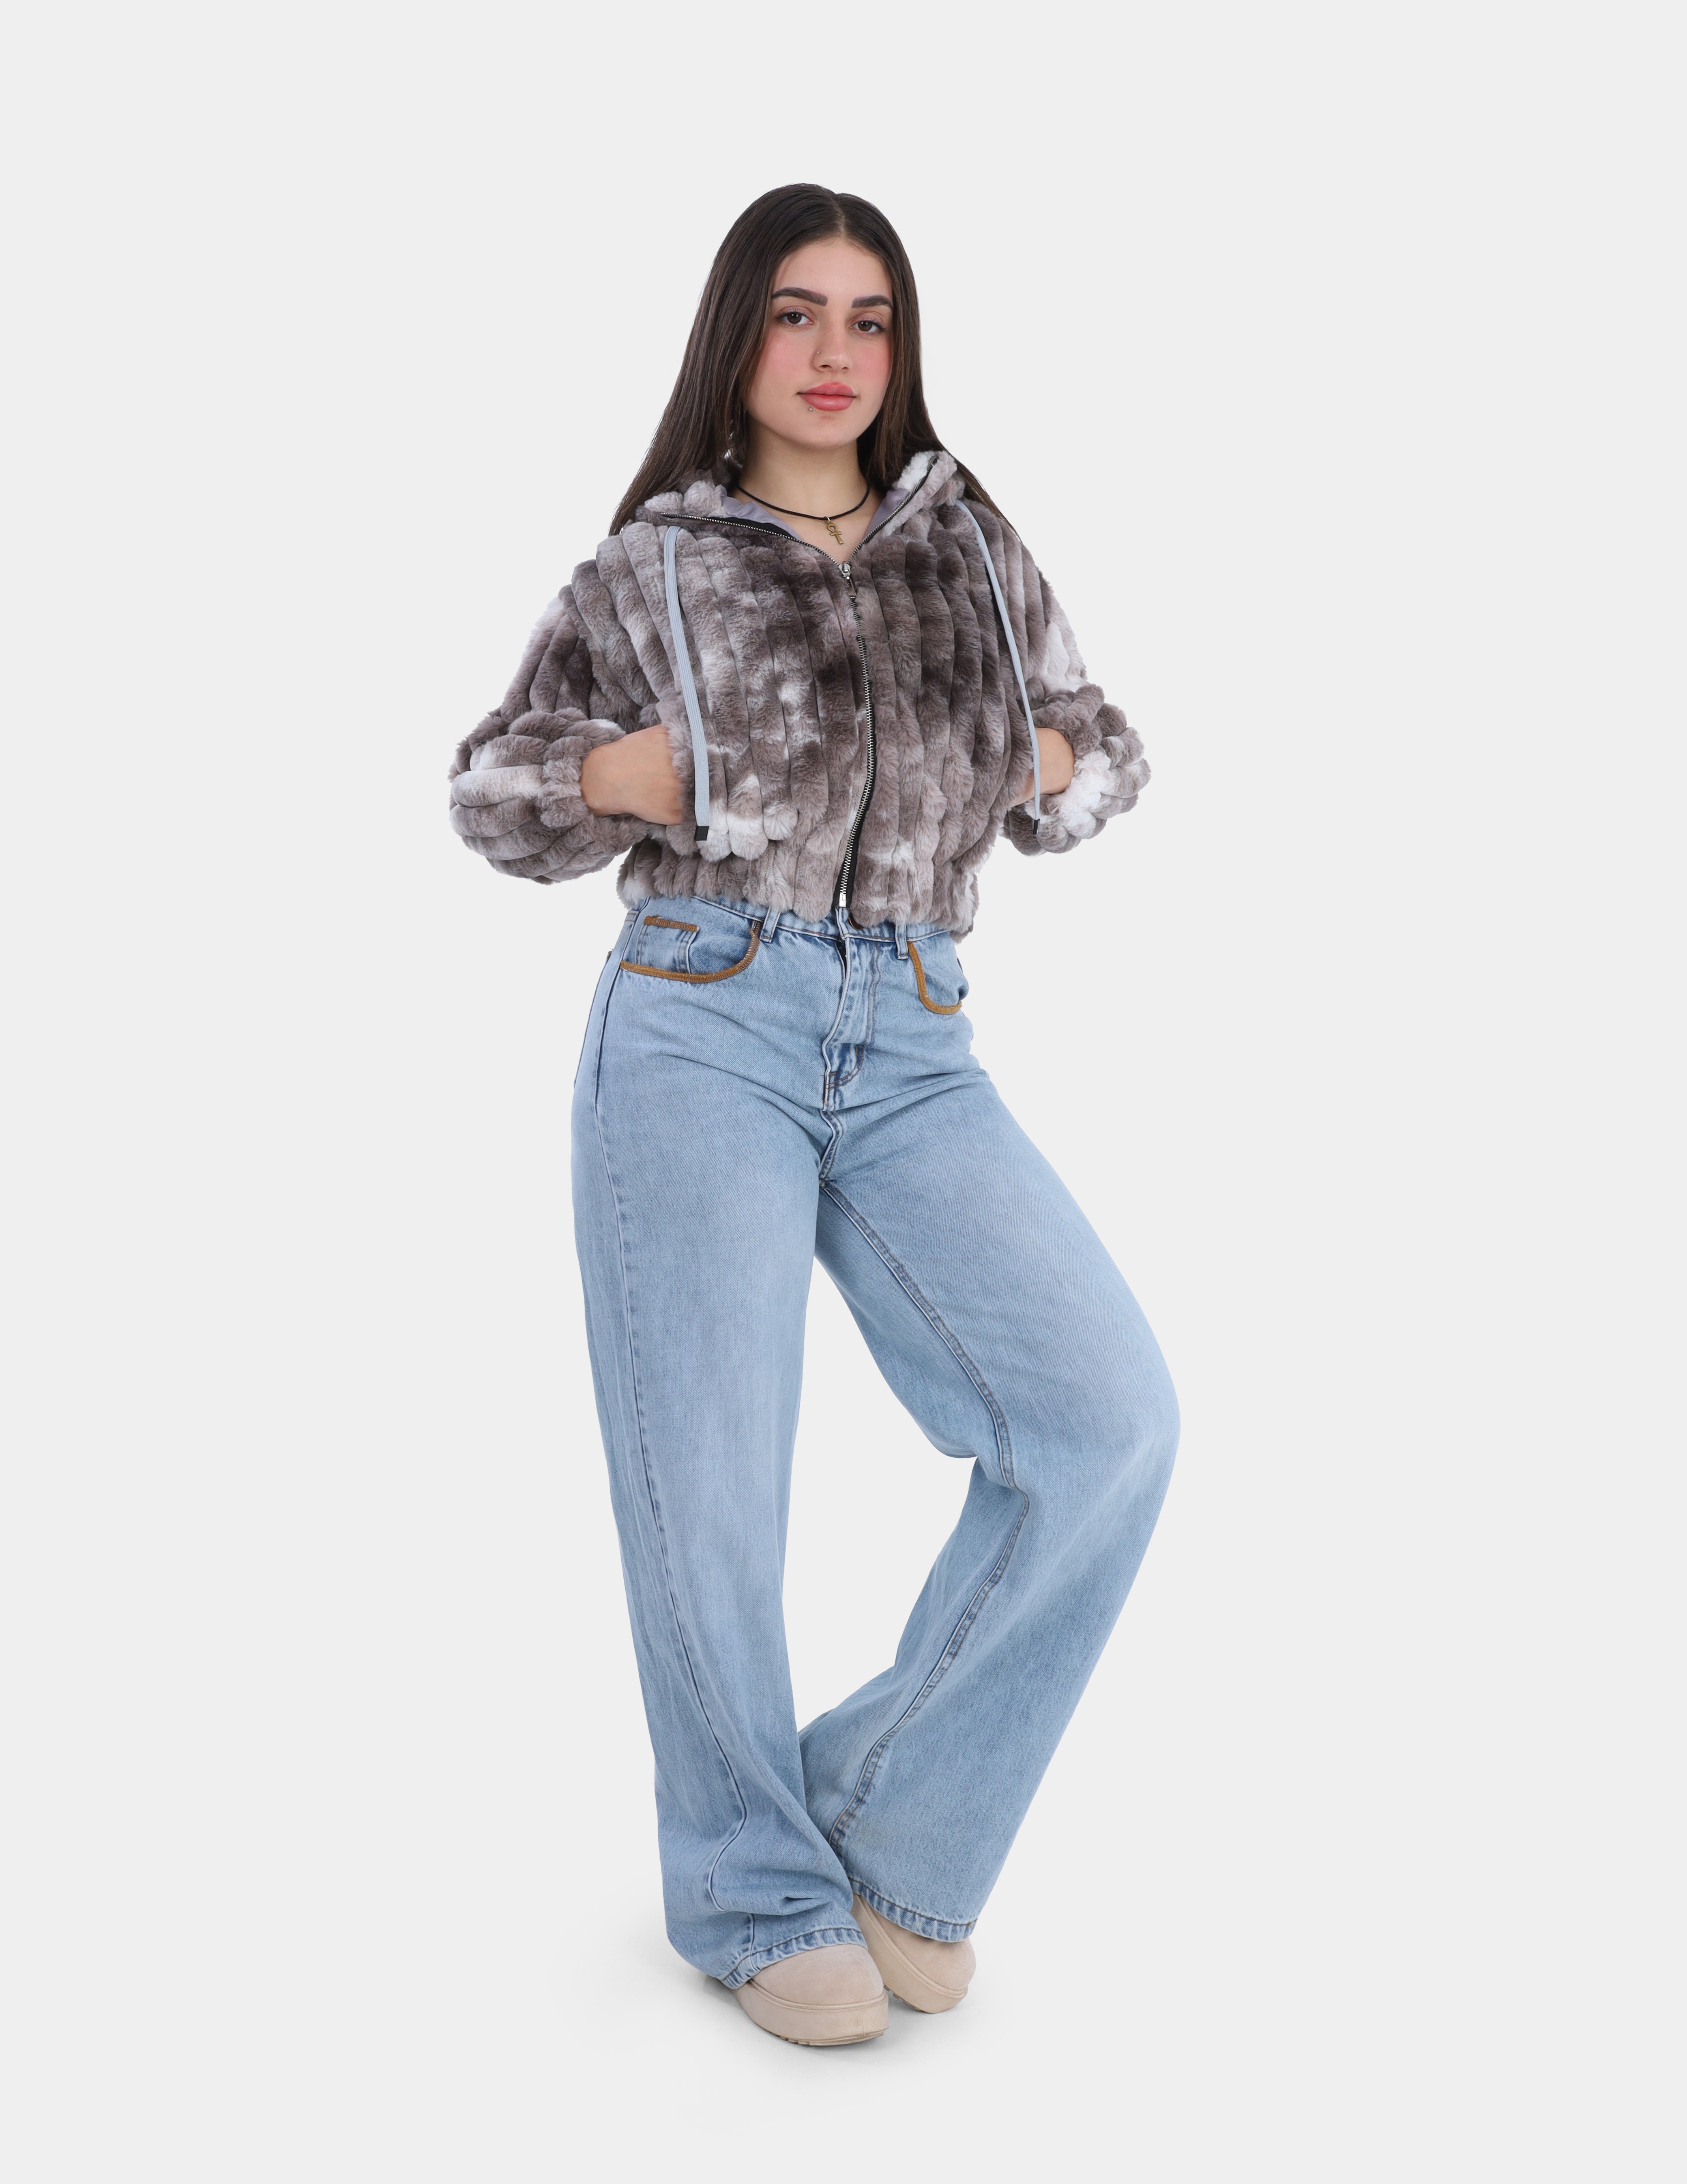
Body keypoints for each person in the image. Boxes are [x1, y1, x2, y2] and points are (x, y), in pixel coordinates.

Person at [448, 183, 1179, 2047]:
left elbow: (1102, 748)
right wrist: (641, 772)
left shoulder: (966, 539)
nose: (835, 352)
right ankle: (751, 1891)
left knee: (1103, 1420)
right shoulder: (654, 563)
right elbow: (495, 792)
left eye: (868, 317)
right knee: (709, 1489)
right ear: (738, 337)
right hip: (703, 1012)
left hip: (915, 1030)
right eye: (796, 313)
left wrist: (1025, 755)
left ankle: (888, 1836)